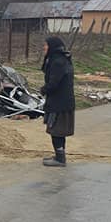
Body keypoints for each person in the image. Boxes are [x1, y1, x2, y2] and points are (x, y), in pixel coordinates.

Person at [41, 35, 75, 167]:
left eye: (46, 45)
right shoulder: (60, 59)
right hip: (62, 101)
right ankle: (59, 155)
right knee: (58, 130)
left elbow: (54, 83)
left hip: (59, 103)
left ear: (52, 47)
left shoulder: (58, 62)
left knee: (56, 130)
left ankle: (60, 159)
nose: (44, 48)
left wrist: (44, 89)